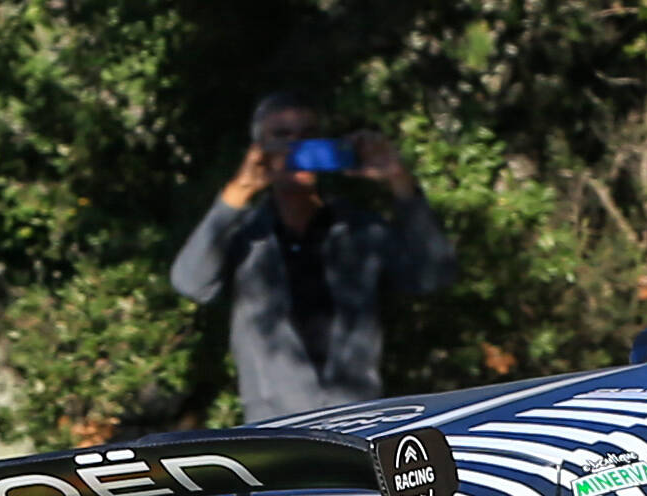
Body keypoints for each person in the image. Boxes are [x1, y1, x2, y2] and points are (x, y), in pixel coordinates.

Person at [170, 92, 455, 423]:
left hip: (361, 423)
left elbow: (433, 276)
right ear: (258, 150)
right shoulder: (245, 235)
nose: (296, 148)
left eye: (307, 137)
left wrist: (398, 179)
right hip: (275, 431)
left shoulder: (358, 229)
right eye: (282, 137)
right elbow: (189, 282)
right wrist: (238, 192)